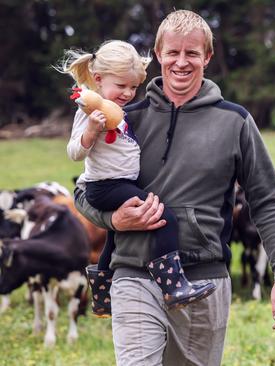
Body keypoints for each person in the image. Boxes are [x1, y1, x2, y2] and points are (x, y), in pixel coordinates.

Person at [73, 10, 275, 365]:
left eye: (192, 53)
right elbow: (83, 190)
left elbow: (267, 199)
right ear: (158, 55)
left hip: (203, 281)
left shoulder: (234, 121)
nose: (181, 62)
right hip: (133, 272)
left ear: (207, 57)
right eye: (172, 52)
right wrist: (114, 219)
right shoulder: (125, 117)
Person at [60, 40, 216, 318]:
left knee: (113, 238)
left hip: (120, 183)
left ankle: (101, 293)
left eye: (133, 87)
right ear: (98, 79)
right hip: (105, 186)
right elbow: (74, 152)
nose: (128, 94)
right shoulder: (88, 112)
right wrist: (91, 132)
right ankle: (173, 285)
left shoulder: (118, 111)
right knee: (164, 218)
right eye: (121, 86)